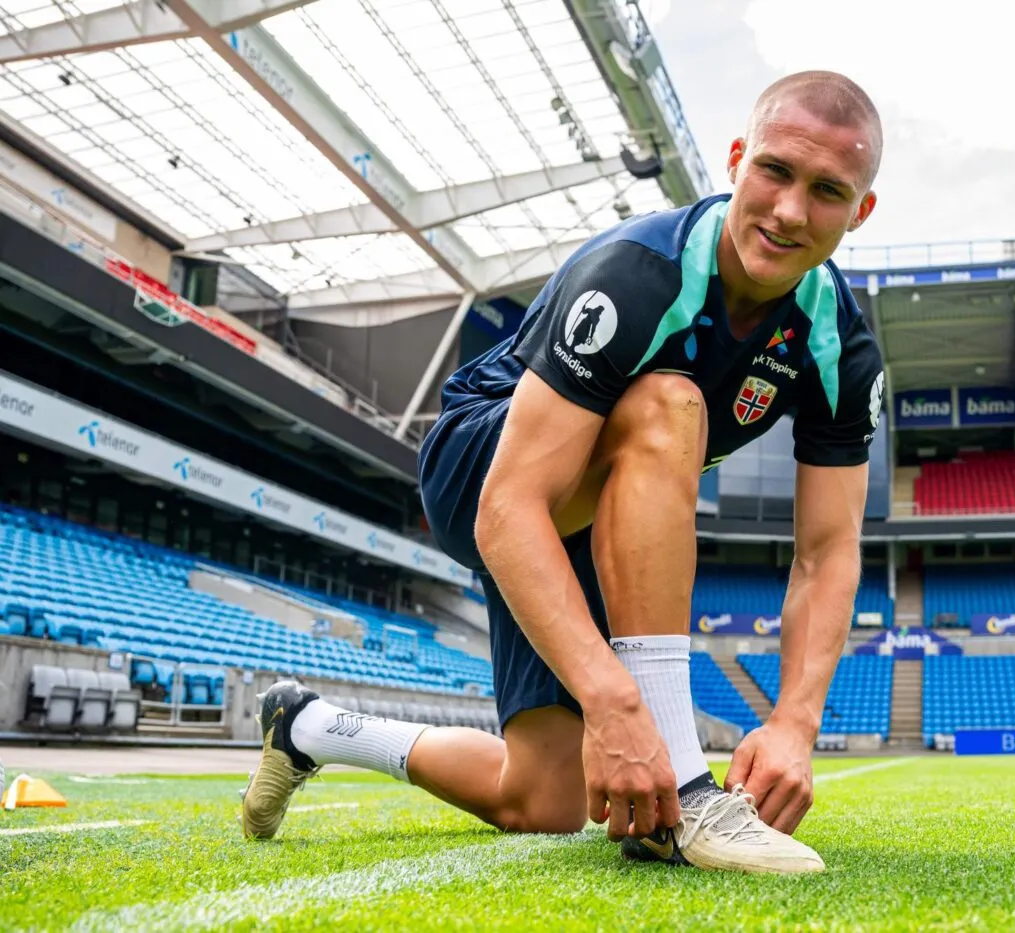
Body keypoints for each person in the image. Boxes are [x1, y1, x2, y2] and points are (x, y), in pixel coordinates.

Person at [240, 70, 885, 875]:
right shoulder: (639, 273)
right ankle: (688, 794)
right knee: (669, 402)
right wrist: (615, 702)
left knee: (542, 802)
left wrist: (794, 720)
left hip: (604, 505)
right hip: (493, 469)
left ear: (860, 212)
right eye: (776, 171)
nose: (790, 210)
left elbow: (828, 550)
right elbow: (507, 509)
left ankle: (311, 726)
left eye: (827, 190)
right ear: (735, 161)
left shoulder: (839, 345)